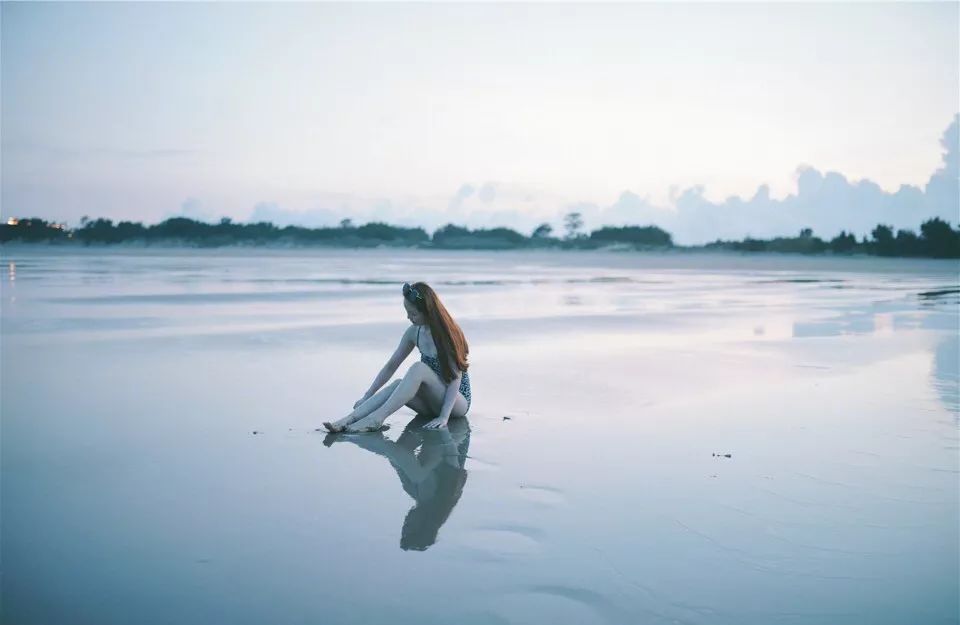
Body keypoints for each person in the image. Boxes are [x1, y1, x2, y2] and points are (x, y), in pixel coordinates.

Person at [323, 282, 472, 433]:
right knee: (397, 384)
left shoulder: (447, 334)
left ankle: (376, 419)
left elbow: (455, 378)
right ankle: (347, 420)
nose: (408, 317)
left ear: (428, 311)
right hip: (430, 403)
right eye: (407, 312)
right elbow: (391, 366)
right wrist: (367, 396)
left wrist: (444, 417)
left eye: (413, 313)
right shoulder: (414, 332)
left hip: (456, 403)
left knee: (419, 368)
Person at [323, 414, 471, 550]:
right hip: (447, 435)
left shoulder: (415, 491)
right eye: (409, 525)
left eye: (404, 525)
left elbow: (397, 462)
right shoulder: (443, 494)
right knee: (410, 469)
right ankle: (358, 424)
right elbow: (448, 454)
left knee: (402, 463)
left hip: (434, 439)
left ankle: (357, 427)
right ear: (423, 525)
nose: (406, 520)